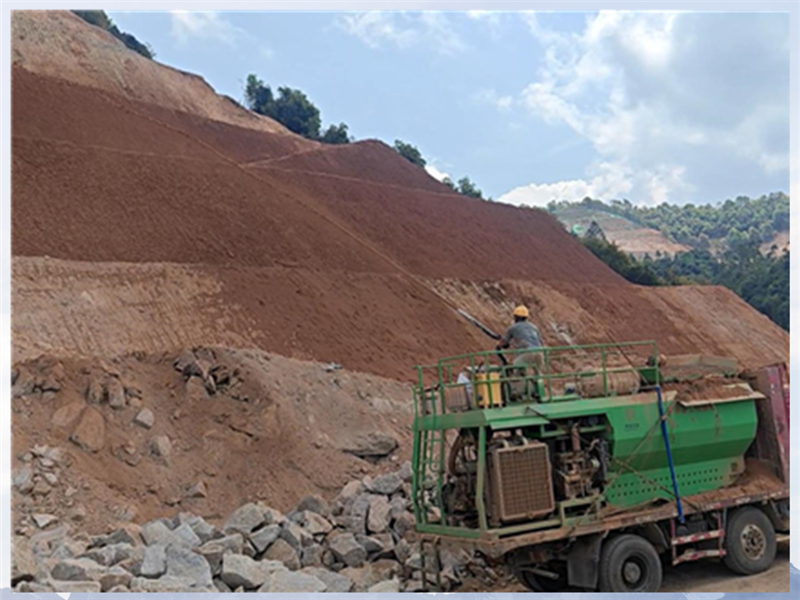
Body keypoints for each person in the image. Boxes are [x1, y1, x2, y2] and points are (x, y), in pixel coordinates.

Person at [496, 305, 544, 374]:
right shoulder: (534, 327)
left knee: (512, 369)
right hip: (540, 353)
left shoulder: (513, 328)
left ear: (516, 317)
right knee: (537, 375)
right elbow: (540, 341)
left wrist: (499, 345)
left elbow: (505, 343)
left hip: (528, 353)